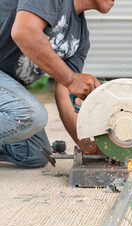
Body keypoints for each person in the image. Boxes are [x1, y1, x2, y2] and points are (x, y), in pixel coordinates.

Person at [0, 0, 115, 168]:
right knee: (30, 115)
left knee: (34, 155)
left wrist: (90, 147)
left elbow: (65, 94)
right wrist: (72, 78)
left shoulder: (81, 40)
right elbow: (24, 32)